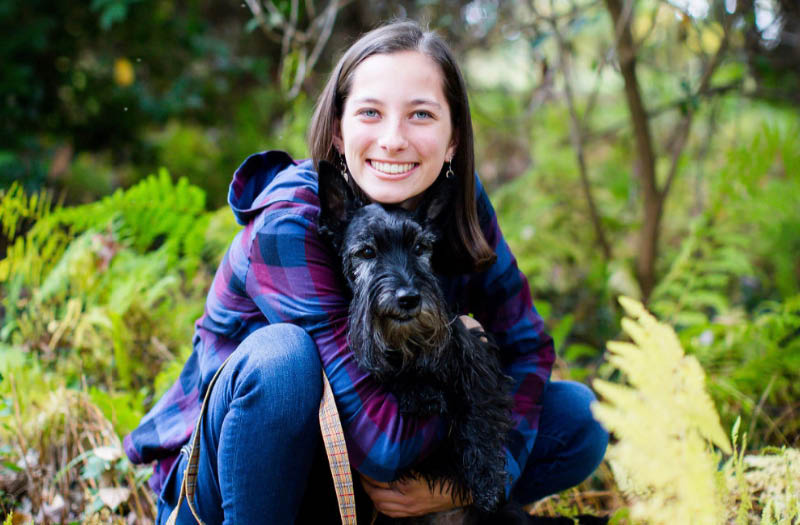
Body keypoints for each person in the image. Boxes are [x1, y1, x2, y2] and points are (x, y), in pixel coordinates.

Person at [124, 20, 609, 524]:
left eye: (421, 114)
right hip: (234, 487)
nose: (394, 140)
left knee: (577, 418)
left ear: (453, 140)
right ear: (338, 130)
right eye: (371, 112)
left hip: (361, 484)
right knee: (283, 361)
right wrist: (470, 393)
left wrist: (473, 480)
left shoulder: (451, 200)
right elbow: (382, 445)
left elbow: (527, 342)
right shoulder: (290, 221)